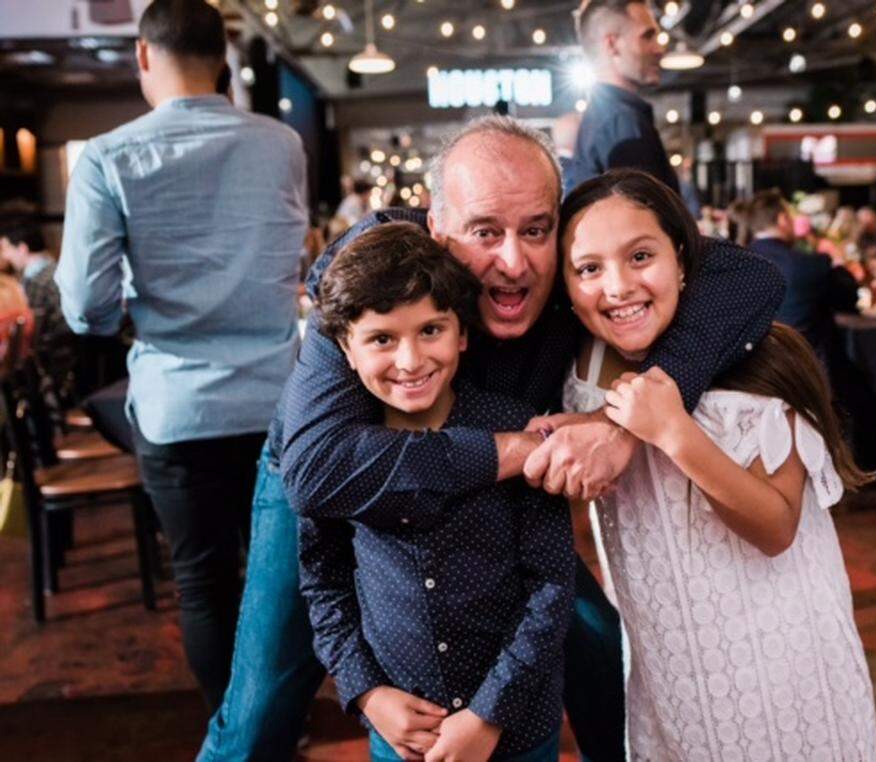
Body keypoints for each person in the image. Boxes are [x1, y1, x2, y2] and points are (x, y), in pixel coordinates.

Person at [200, 115, 784, 762]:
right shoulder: (376, 273)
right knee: (259, 705)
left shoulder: (563, 264)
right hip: (353, 476)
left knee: (592, 639)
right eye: (484, 233)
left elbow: (749, 278)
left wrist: (627, 421)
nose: (513, 262)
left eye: (536, 228)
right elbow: (319, 471)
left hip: (494, 491)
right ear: (436, 229)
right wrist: (516, 450)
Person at [553, 169, 876, 759]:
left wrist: (674, 431)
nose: (619, 286)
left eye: (641, 256)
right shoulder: (580, 366)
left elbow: (777, 527)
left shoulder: (757, 356)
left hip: (777, 660)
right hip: (667, 665)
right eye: (589, 269)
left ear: (682, 260)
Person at [55, 0, 307, 712]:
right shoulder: (282, 144)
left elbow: (85, 308)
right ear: (223, 58)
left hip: (179, 407)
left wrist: (145, 303)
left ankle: (238, 735)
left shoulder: (108, 157)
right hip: (276, 402)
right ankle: (284, 729)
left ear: (142, 56)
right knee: (279, 581)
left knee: (203, 583)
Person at [307, 222, 575, 761]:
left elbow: (550, 586)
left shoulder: (513, 426)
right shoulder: (343, 461)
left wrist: (488, 715)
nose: (410, 361)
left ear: (463, 333)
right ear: (345, 348)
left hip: (516, 729)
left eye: (431, 330)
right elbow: (323, 585)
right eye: (382, 339)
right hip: (400, 735)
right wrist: (367, 694)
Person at [563, 0, 676, 194]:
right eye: (647, 36)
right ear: (612, 45)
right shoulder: (621, 122)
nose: (659, 49)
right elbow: (643, 221)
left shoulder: (604, 117)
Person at [747, 190, 857, 360]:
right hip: (805, 368)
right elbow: (849, 300)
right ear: (783, 219)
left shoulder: (734, 264)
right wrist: (838, 261)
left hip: (753, 372)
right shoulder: (809, 265)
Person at [0, 223, 75, 407]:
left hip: (52, 357)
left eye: (6, 248)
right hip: (70, 350)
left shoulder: (36, 281)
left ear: (22, 248)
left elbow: (30, 326)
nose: (5, 256)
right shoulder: (58, 268)